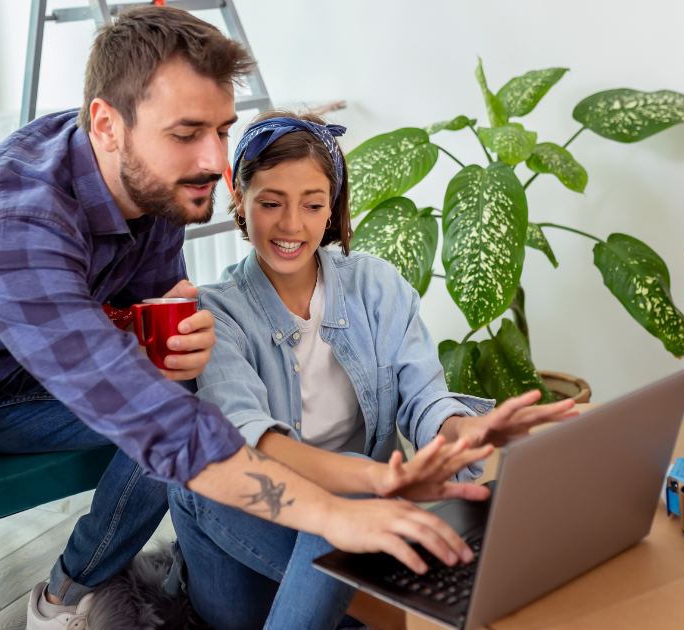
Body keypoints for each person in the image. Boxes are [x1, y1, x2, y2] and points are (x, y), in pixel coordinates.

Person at [0, 8, 487, 630]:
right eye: (188, 133)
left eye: (221, 130)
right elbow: (149, 419)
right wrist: (334, 509)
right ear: (106, 125)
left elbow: (137, 340)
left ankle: (66, 593)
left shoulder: (154, 188)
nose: (215, 162)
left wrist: (173, 343)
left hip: (14, 380)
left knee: (182, 389)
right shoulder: (17, 218)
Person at [166, 110, 580, 630]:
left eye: (313, 205)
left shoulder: (377, 286)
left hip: (352, 521)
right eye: (271, 203)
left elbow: (423, 396)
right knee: (343, 508)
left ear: (332, 206)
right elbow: (256, 445)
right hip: (248, 528)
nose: (292, 225)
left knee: (365, 518)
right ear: (241, 199)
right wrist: (380, 480)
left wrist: (463, 430)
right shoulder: (217, 311)